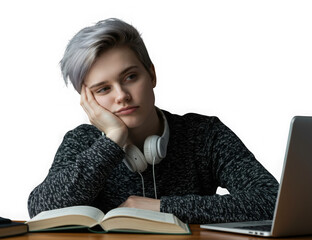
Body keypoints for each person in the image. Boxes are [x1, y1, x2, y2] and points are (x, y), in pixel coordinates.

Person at [27, 18, 279, 223]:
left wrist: (160, 207)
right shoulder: (83, 141)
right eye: (103, 89)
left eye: (130, 77)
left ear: (151, 74)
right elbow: (40, 208)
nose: (122, 96)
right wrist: (112, 142)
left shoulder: (204, 134)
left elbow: (273, 201)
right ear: (87, 100)